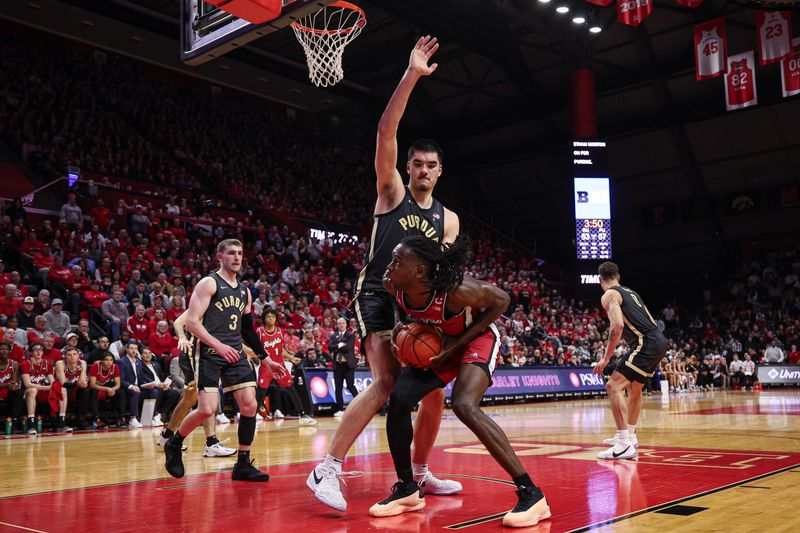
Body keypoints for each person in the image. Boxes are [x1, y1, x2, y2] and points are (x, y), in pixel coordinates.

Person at [308, 35, 461, 512]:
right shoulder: (391, 191)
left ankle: (419, 473)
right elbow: (384, 130)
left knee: (435, 391)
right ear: (408, 167)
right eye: (416, 163)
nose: (422, 170)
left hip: (418, 304)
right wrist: (412, 74)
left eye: (430, 166)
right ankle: (325, 468)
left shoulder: (448, 220)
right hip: (377, 292)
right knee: (388, 381)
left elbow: (447, 277)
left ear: (439, 172)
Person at [368, 236, 549, 527]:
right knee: (400, 399)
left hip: (476, 340)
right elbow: (403, 309)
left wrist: (455, 346)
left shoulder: (457, 291)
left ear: (419, 271)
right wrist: (402, 328)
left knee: (464, 405)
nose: (389, 267)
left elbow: (502, 300)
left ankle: (532, 494)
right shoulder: (395, 285)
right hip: (440, 345)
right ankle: (407, 489)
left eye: (397, 261)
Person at [163, 239, 288, 481]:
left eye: (240, 253)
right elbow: (191, 323)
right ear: (219, 256)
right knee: (206, 409)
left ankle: (242, 464)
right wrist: (218, 345)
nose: (237, 257)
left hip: (234, 353)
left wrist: (266, 358)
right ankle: (174, 443)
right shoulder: (209, 283)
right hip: (209, 352)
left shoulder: (244, 291)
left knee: (250, 405)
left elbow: (249, 330)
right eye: (231, 253)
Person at [592, 262, 668, 460]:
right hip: (658, 340)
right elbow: (651, 321)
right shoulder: (632, 293)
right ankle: (629, 436)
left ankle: (624, 444)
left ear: (600, 279)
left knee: (613, 386)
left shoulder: (608, 295)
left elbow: (616, 325)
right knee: (635, 388)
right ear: (619, 276)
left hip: (646, 342)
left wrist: (606, 358)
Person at [155, 311, 236, 457]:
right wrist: (181, 337)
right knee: (208, 393)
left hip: (206, 355)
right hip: (195, 354)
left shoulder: (224, 305)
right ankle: (211, 443)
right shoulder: (204, 299)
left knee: (190, 399)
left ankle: (166, 436)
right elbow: (178, 322)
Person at [255, 309, 316, 424]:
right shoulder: (259, 332)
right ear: (264, 319)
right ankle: (252, 416)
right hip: (266, 366)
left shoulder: (279, 331)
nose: (271, 319)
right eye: (268, 317)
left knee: (291, 388)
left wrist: (291, 358)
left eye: (273, 317)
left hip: (279, 366)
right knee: (261, 392)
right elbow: (255, 348)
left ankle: (302, 415)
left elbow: (281, 350)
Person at [22, 342, 71, 434]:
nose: (38, 351)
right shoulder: (26, 363)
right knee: (33, 390)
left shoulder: (47, 364)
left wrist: (52, 387)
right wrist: (48, 387)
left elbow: (52, 382)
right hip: (27, 392)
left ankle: (61, 421)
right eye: (35, 349)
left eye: (40, 349)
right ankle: (31, 423)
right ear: (31, 353)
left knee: (63, 390)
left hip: (42, 391)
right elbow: (27, 384)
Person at [140, 346, 180, 426]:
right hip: (149, 388)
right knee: (158, 391)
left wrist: (165, 384)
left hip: (160, 386)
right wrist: (158, 385)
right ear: (141, 355)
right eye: (145, 353)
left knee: (174, 393)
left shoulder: (156, 365)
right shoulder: (140, 366)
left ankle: (161, 414)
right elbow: (143, 379)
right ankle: (154, 415)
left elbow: (161, 377)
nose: (148, 355)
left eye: (149, 353)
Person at [328, 317, 358, 416]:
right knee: (338, 388)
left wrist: (337, 346)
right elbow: (330, 347)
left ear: (346, 324)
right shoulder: (334, 336)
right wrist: (339, 345)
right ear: (337, 325)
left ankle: (360, 405)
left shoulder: (350, 335)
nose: (341, 325)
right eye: (339, 323)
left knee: (350, 385)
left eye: (343, 323)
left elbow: (348, 347)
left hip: (348, 365)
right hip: (338, 365)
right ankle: (340, 409)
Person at [55, 347, 90, 429]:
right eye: (69, 355)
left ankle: (80, 419)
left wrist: (83, 383)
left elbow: (82, 380)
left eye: (74, 354)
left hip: (74, 389)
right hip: (61, 390)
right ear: (65, 356)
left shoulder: (82, 363)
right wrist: (78, 384)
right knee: (65, 390)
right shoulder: (60, 363)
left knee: (85, 391)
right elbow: (63, 383)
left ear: (78, 356)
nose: (72, 357)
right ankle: (61, 420)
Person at [88, 351, 125, 428]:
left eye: (111, 360)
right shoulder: (95, 366)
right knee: (94, 392)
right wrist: (106, 389)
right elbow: (92, 385)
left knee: (121, 391)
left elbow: (118, 384)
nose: (109, 362)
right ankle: (96, 420)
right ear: (101, 361)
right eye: (106, 360)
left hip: (107, 388)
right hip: (96, 388)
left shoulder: (115, 367)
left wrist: (113, 389)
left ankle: (121, 418)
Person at [118, 341, 145, 428]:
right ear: (127, 349)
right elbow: (120, 380)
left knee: (155, 391)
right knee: (135, 391)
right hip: (127, 388)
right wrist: (131, 386)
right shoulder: (121, 361)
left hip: (138, 386)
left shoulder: (139, 362)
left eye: (136, 349)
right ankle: (133, 418)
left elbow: (141, 378)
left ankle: (154, 415)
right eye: (131, 348)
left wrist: (150, 384)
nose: (134, 351)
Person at [0, 342, 22, 428]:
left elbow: (14, 381)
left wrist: (14, 385)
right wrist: (6, 385)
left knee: (19, 392)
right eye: (1, 349)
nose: (4, 351)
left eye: (6, 349)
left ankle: (15, 420)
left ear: (9, 351)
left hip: (7, 393)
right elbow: (7, 385)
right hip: (4, 389)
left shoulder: (14, 364)